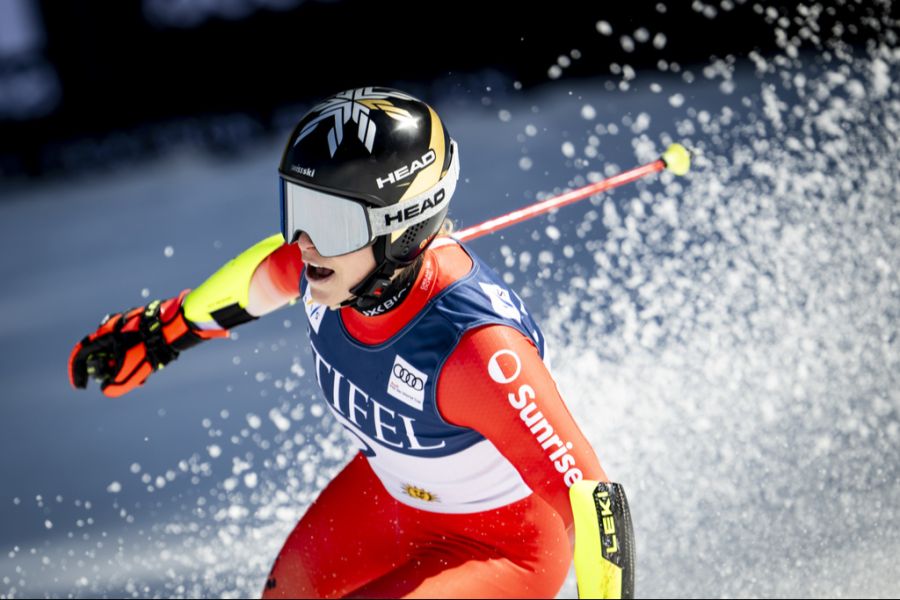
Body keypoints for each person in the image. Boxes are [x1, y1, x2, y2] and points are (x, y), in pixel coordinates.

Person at [68, 86, 634, 599]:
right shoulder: (329, 267)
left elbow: (595, 502)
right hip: (393, 495)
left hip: (501, 547)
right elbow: (252, 284)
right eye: (300, 208)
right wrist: (163, 331)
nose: (306, 244)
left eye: (333, 220)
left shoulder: (477, 349)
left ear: (403, 226)